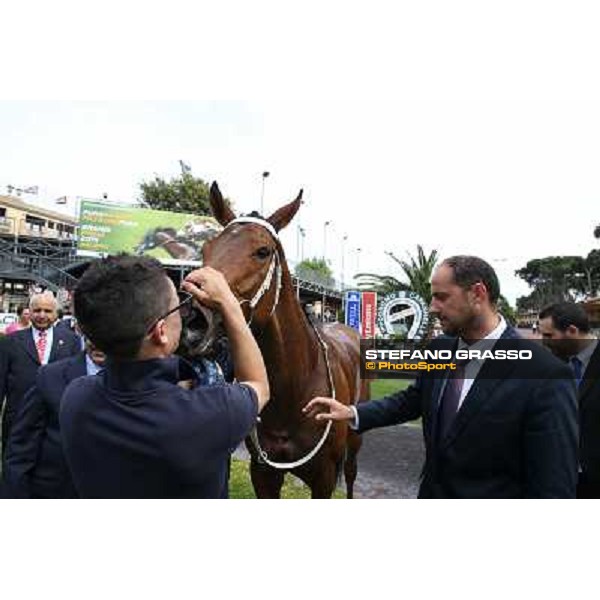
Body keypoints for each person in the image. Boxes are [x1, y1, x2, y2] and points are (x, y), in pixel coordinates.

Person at [304, 255, 578, 498]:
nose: (433, 307)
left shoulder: (546, 375)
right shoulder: (440, 348)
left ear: (477, 294)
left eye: (442, 297)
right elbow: (412, 400)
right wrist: (352, 413)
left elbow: (553, 487)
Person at [59, 255, 270, 498]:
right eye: (177, 306)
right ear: (160, 332)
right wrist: (229, 304)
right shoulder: (207, 414)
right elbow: (258, 386)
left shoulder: (76, 397)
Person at [2, 340, 106, 498]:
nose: (99, 341)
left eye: (106, 334)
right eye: (94, 333)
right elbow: (21, 448)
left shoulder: (148, 381)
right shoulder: (50, 376)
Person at [0, 291, 81, 456]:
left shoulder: (71, 341)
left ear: (56, 313)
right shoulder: (10, 341)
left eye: (47, 311)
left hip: (55, 421)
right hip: (17, 419)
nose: (42, 315)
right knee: (14, 470)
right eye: (37, 310)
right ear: (29, 312)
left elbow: (76, 380)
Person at [538, 302, 600, 498]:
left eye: (549, 335)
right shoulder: (553, 363)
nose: (543, 342)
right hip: (561, 478)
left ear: (572, 331)